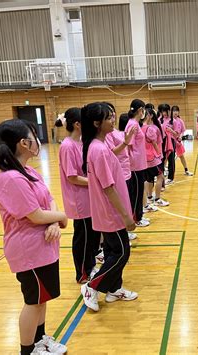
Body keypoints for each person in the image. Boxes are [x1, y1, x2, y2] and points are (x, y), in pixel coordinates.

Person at [0, 119, 68, 355]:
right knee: (33, 301)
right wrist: (62, 216)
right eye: (34, 136)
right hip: (29, 250)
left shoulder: (29, 171)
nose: (38, 140)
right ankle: (27, 351)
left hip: (43, 246)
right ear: (24, 143)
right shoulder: (11, 178)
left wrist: (54, 220)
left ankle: (39, 340)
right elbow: (35, 215)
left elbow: (49, 200)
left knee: (41, 298)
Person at [80, 102, 138, 312]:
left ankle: (114, 289)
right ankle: (92, 286)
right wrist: (126, 216)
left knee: (114, 250)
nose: (113, 120)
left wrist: (126, 143)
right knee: (121, 253)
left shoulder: (100, 146)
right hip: (111, 212)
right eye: (109, 118)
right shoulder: (98, 150)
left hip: (110, 211)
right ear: (97, 123)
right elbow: (108, 188)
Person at [57, 108, 101, 283]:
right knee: (82, 238)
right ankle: (82, 273)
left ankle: (89, 266)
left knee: (92, 236)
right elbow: (72, 177)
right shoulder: (67, 146)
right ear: (77, 124)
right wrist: (94, 182)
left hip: (88, 197)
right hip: (78, 199)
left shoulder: (82, 143)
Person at [104, 103, 139, 241]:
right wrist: (125, 143)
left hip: (125, 170)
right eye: (109, 116)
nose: (113, 118)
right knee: (120, 205)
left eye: (113, 114)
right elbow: (111, 152)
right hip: (119, 174)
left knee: (126, 201)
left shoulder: (115, 131)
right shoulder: (105, 136)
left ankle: (124, 230)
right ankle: (121, 231)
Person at [125, 99, 150, 227]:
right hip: (135, 165)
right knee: (136, 193)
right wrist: (130, 163)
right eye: (143, 110)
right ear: (140, 110)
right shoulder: (133, 125)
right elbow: (128, 145)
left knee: (140, 191)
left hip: (139, 163)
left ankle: (139, 215)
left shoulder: (134, 123)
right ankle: (136, 218)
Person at [143, 108, 170, 207]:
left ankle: (149, 197)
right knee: (160, 177)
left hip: (144, 158)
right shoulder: (152, 128)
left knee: (148, 179)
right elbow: (157, 143)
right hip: (154, 157)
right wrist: (159, 154)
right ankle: (157, 198)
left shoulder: (141, 127)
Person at [171, 106, 193, 176]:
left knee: (181, 156)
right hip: (170, 142)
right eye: (174, 111)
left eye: (177, 111)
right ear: (171, 112)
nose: (176, 112)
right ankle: (164, 171)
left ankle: (186, 170)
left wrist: (180, 137)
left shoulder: (180, 120)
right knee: (168, 158)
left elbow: (183, 130)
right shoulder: (169, 120)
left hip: (178, 142)